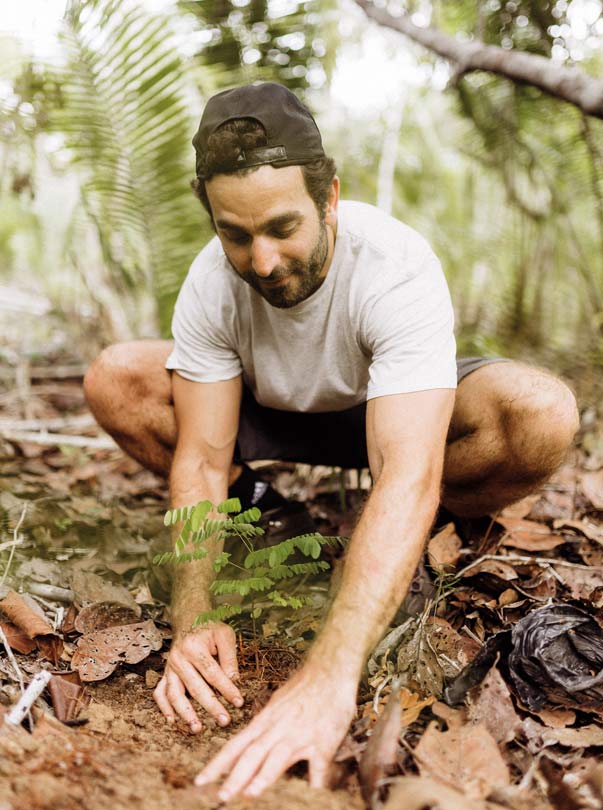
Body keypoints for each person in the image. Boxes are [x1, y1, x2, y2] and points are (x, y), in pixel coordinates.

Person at [84, 82, 579, 800]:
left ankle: (395, 541)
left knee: (540, 413)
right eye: (235, 234)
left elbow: (408, 467)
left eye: (283, 227)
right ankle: (262, 509)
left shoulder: (393, 265)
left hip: (393, 406)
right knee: (115, 375)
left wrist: (328, 674)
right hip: (274, 408)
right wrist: (194, 619)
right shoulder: (210, 284)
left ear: (330, 197)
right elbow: (196, 458)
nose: (261, 260)